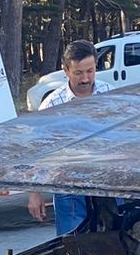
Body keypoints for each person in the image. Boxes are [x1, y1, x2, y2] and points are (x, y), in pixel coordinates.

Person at [29, 41, 98, 235]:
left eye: (90, 71)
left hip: (109, 187)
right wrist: (35, 193)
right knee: (73, 251)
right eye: (78, 73)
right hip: (69, 190)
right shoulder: (52, 106)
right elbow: (38, 150)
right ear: (66, 71)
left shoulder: (111, 94)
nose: (85, 79)